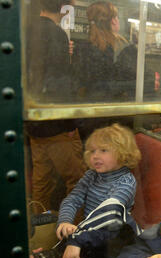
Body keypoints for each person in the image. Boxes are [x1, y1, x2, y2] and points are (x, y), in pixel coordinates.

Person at [32, 124, 142, 258]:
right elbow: (72, 199)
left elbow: (109, 213)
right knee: (53, 257)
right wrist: (65, 221)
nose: (95, 156)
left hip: (110, 241)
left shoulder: (126, 182)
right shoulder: (91, 175)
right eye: (92, 151)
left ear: (123, 153)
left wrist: (78, 239)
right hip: (88, 235)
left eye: (103, 151)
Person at [25, 0, 86, 216]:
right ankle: (76, 236)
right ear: (63, 7)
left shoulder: (28, 30)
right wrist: (71, 122)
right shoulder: (57, 34)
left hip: (35, 123)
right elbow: (60, 82)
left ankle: (39, 232)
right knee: (77, 181)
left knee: (42, 183)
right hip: (58, 125)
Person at [74, 1, 128, 102]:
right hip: (114, 107)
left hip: (86, 105)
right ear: (113, 21)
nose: (117, 20)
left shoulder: (81, 47)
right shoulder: (121, 47)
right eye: (116, 17)